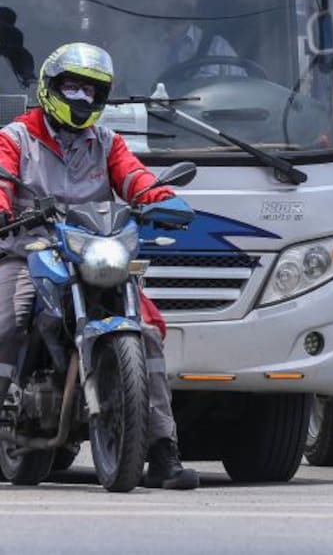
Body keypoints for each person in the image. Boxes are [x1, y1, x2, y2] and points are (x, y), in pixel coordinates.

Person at [0, 42, 200, 489]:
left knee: (146, 333)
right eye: (72, 87)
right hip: (31, 250)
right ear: (50, 87)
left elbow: (136, 178)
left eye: (90, 91)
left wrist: (162, 200)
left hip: (94, 251)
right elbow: (1, 176)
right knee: (9, 322)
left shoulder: (106, 142)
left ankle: (162, 451)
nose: (80, 98)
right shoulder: (16, 137)